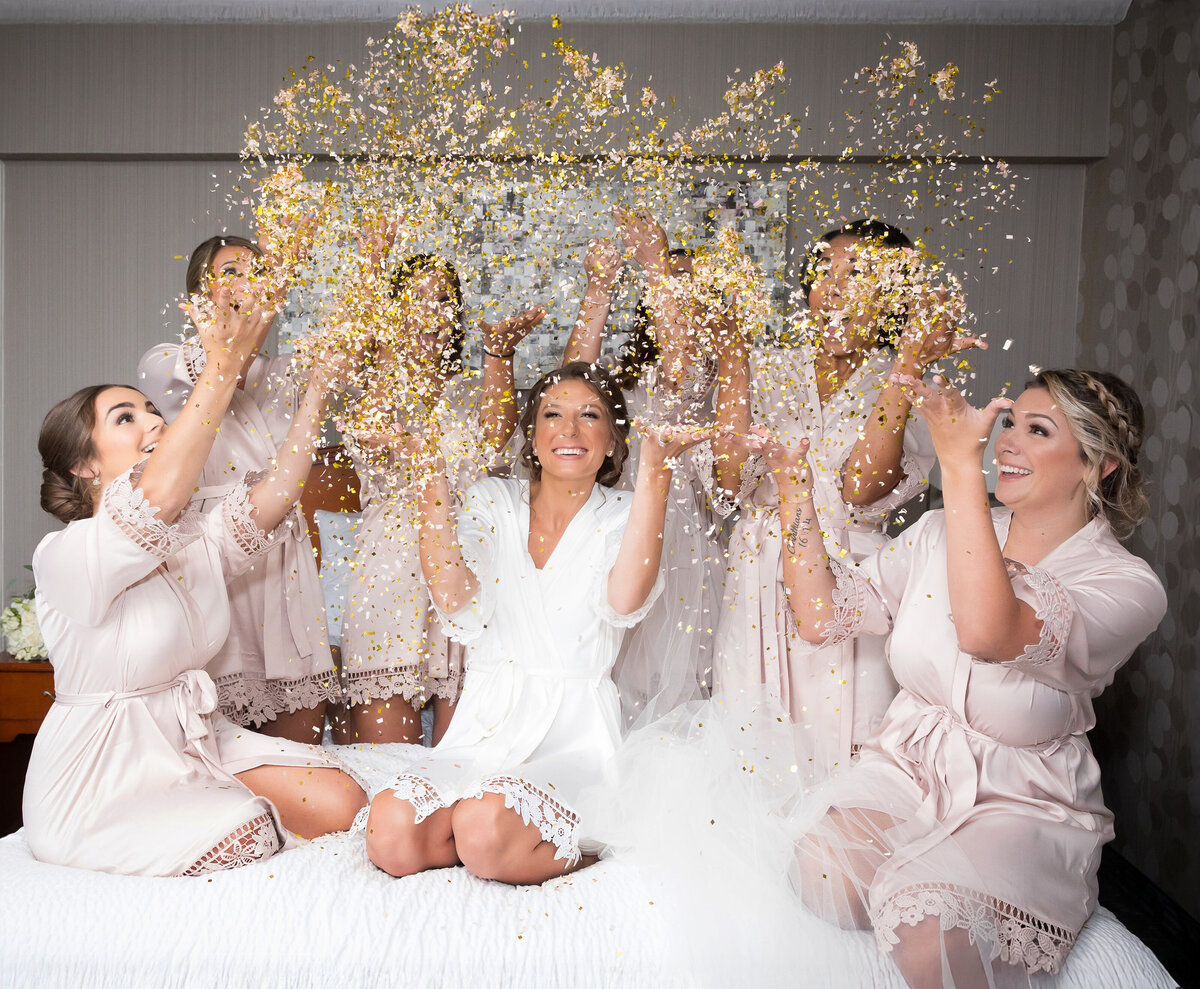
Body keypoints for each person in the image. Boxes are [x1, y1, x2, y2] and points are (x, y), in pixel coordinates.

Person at [768, 369, 1166, 985]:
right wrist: (794, 493)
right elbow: (822, 616)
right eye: (1010, 424)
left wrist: (959, 467)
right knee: (821, 873)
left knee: (931, 938)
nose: (1008, 441)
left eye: (1038, 430)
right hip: (907, 768)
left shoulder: (1127, 585)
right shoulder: (935, 534)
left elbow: (990, 631)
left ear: (1099, 465)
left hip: (1022, 802)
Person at [25, 291, 367, 877]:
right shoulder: (68, 553)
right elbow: (156, 499)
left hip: (195, 739)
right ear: (84, 465)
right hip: (102, 775)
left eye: (150, 409)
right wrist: (224, 366)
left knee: (345, 801)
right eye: (124, 418)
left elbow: (278, 494)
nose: (153, 419)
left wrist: (317, 392)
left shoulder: (192, 537)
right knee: (246, 831)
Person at [362, 361, 702, 885]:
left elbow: (624, 601)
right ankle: (488, 835)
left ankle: (582, 844)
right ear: (533, 436)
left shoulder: (626, 512)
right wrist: (431, 473)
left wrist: (656, 473)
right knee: (392, 833)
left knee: (482, 823)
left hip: (572, 734)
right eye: (553, 415)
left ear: (613, 440)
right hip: (485, 724)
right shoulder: (491, 502)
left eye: (590, 415)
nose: (569, 430)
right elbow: (454, 597)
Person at [710, 218, 982, 779]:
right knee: (749, 749)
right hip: (756, 574)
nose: (832, 287)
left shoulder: (906, 386)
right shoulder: (764, 368)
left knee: (840, 743)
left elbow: (860, 490)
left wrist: (907, 365)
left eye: (856, 274)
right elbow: (729, 481)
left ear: (894, 299)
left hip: (849, 580)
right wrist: (732, 349)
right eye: (823, 272)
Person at [337, 250, 545, 744]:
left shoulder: (470, 389)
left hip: (465, 566)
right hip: (390, 572)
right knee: (391, 769)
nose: (433, 314)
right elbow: (372, 428)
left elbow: (495, 443)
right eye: (418, 301)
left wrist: (498, 355)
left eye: (444, 302)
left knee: (461, 762)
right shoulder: (372, 387)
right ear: (393, 313)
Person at [138, 232, 337, 741]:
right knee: (218, 742)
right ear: (199, 297)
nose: (247, 284)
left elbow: (347, 344)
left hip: (283, 563)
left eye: (257, 273)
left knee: (301, 742)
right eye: (231, 273)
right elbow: (225, 366)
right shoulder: (165, 364)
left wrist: (373, 260)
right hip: (212, 558)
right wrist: (276, 275)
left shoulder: (286, 374)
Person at [562, 212, 721, 726]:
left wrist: (655, 261)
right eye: (661, 289)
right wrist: (599, 288)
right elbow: (570, 381)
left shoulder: (707, 370)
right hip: (609, 520)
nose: (667, 296)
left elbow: (681, 365)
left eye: (681, 290)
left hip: (674, 537)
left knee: (658, 686)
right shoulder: (628, 377)